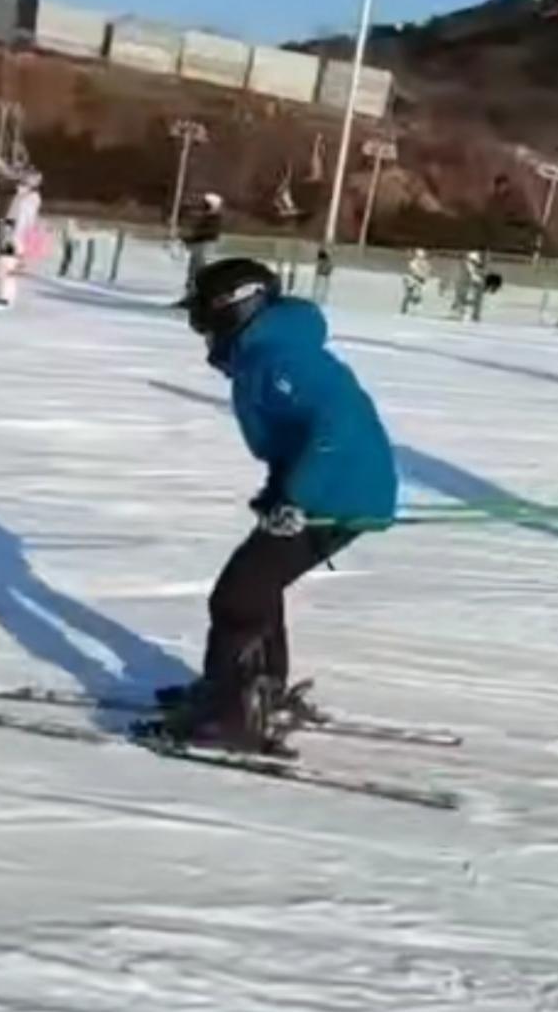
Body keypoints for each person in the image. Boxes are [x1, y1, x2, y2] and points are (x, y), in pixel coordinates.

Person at [159, 257, 397, 750]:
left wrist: (297, 497)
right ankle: (254, 691)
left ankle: (233, 715)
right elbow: (293, 437)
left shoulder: (280, 358)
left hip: (336, 492)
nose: (199, 330)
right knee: (256, 586)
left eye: (202, 317)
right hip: (325, 488)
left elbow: (335, 428)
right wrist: (279, 490)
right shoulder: (264, 353)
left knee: (240, 594)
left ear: (233, 309)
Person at [0, 169, 42, 309]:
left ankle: (3, 299)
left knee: (3, 267)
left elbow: (23, 216)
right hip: (2, 228)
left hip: (11, 232)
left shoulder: (30, 197)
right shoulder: (12, 193)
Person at [180, 192, 224, 297]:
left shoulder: (214, 218)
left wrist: (191, 238)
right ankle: (191, 293)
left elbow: (209, 233)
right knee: (194, 270)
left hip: (203, 246)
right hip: (200, 245)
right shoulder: (208, 216)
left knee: (198, 270)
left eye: (205, 203)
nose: (202, 205)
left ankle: (196, 295)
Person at [451, 250, 485, 320]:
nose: (476, 263)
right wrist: (478, 280)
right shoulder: (468, 265)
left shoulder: (467, 264)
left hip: (463, 285)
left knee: (462, 299)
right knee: (464, 299)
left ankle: (461, 311)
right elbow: (471, 275)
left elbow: (472, 274)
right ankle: (463, 313)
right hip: (464, 285)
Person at [401, 247, 431, 314]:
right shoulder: (414, 262)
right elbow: (412, 270)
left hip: (419, 279)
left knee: (415, 293)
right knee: (410, 294)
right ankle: (405, 308)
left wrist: (423, 279)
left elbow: (426, 271)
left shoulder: (424, 263)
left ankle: (413, 305)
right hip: (414, 279)